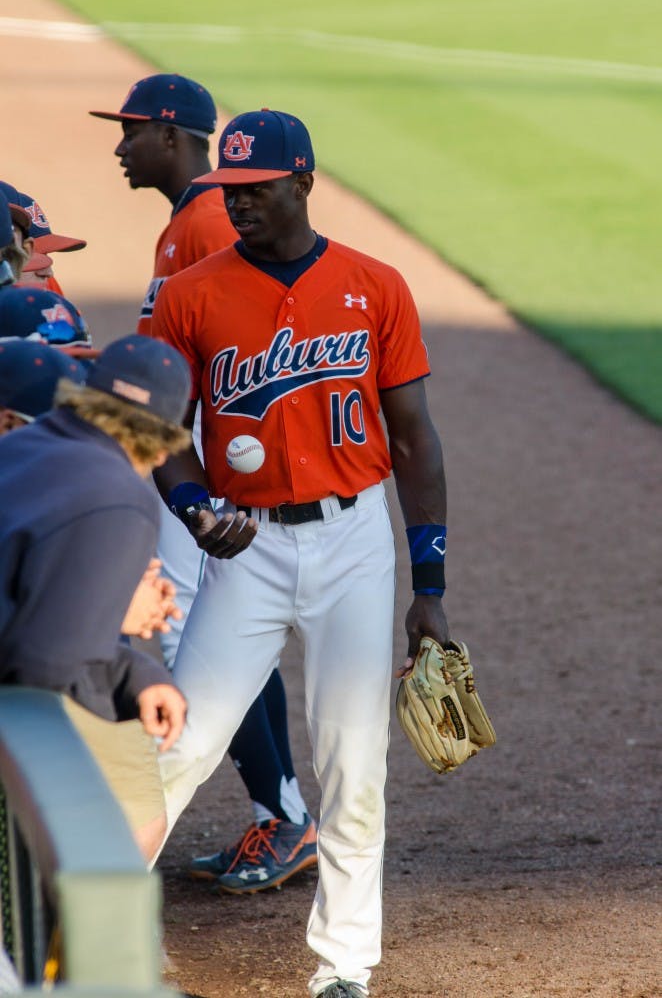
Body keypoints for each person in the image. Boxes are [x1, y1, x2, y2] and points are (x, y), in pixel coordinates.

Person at [147, 109, 451, 997]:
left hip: (354, 542)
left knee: (354, 760)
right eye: (231, 190)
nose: (238, 204)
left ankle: (345, 967)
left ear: (304, 182)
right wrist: (195, 504)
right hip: (244, 549)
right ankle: (91, 927)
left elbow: (416, 439)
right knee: (179, 743)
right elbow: (153, 428)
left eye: (258, 190)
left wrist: (428, 584)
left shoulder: (376, 285)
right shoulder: (191, 294)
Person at [90, 74, 318, 889]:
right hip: (188, 465)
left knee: (202, 642)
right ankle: (278, 812)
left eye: (130, 131)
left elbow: (232, 361)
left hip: (205, 473)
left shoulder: (211, 221)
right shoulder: (184, 225)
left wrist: (153, 457)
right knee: (211, 640)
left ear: (170, 132)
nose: (119, 147)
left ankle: (283, 815)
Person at [0, 334, 193, 862]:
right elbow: (44, 674)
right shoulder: (120, 499)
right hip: (17, 709)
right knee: (132, 814)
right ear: (161, 443)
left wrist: (136, 672)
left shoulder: (17, 448)